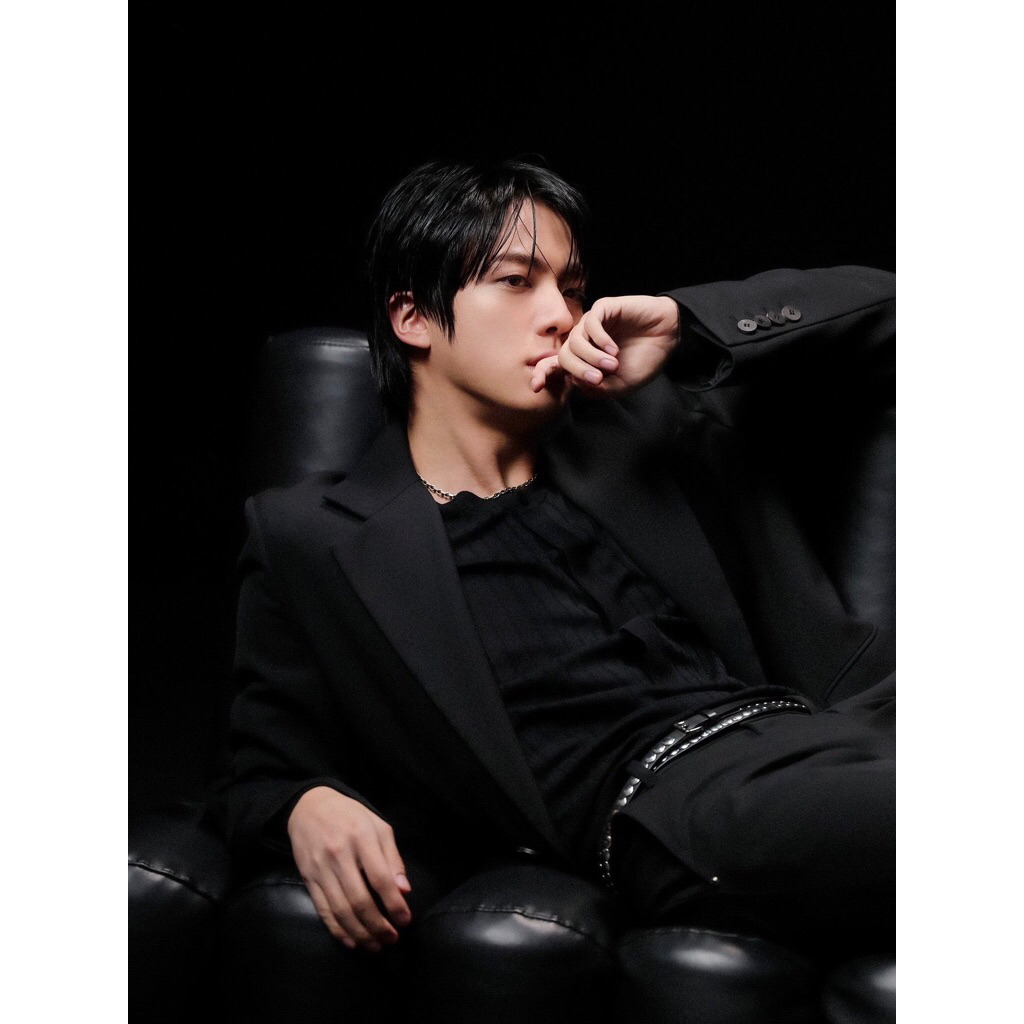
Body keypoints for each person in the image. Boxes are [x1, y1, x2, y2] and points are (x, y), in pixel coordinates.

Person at [214, 157, 895, 962]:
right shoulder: (311, 536)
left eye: (571, 288)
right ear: (413, 317)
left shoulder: (644, 427)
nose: (560, 315)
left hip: (843, 733)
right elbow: (257, 768)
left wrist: (684, 324)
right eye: (515, 282)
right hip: (678, 801)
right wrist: (303, 802)